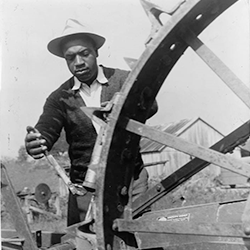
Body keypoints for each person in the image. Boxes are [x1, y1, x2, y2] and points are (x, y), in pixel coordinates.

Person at [25, 19, 158, 226]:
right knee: (85, 241)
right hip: (85, 187)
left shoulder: (124, 80)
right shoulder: (59, 97)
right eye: (70, 58)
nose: (78, 62)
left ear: (96, 52)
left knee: (140, 237)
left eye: (84, 54)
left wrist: (121, 108)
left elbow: (151, 105)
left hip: (131, 181)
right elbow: (46, 129)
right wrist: (36, 141)